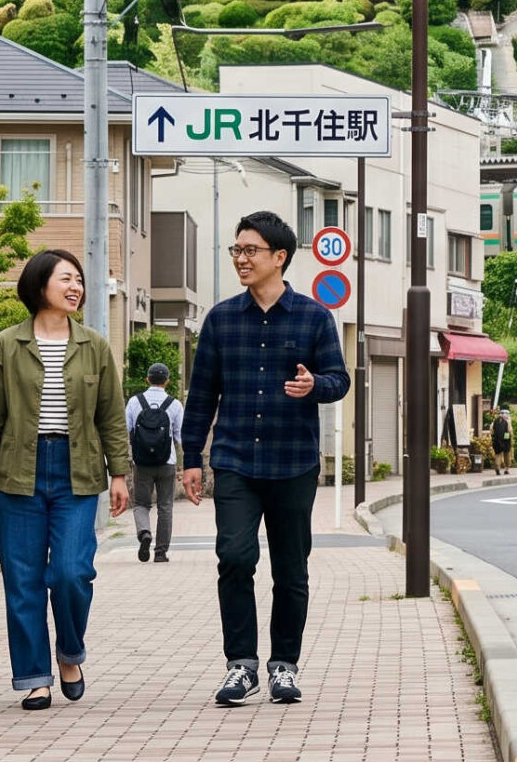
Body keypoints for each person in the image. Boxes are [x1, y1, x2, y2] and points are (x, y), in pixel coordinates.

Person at [182, 211, 349, 708]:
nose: (240, 258)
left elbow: (337, 379)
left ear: (279, 257)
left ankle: (284, 666)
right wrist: (192, 457)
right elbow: (202, 393)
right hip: (234, 459)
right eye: (236, 250)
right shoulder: (220, 318)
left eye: (250, 250)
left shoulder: (315, 317)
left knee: (291, 569)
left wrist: (312, 385)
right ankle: (241, 665)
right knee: (234, 557)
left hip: (294, 462)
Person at [0, 250, 130, 711]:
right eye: (66, 279)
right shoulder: (6, 345)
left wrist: (119, 473)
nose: (76, 287)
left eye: (79, 279)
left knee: (71, 573)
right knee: (23, 581)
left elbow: (111, 417)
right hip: (18, 471)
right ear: (40, 286)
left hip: (77, 471)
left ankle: (70, 653)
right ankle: (34, 677)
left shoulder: (94, 346)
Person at [125, 363, 184, 562]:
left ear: (147, 379)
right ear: (167, 381)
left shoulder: (134, 402)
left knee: (141, 503)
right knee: (165, 506)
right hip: (167, 462)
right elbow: (179, 436)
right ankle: (161, 552)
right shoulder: (174, 404)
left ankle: (144, 533)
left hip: (141, 463)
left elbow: (127, 430)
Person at [489, 407, 513, 474]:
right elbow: (509, 431)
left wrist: (494, 437)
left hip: (496, 440)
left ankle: (497, 467)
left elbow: (491, 430)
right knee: (507, 455)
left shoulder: (495, 421)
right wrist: (507, 439)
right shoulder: (507, 422)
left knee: (498, 454)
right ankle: (507, 469)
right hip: (506, 441)